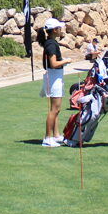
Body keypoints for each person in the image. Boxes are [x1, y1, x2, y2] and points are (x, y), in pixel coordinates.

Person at [38, 18, 70, 147]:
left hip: (55, 77)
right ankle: (47, 138)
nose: (61, 30)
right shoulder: (51, 44)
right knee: (54, 109)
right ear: (55, 30)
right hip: (53, 78)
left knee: (57, 109)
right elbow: (54, 63)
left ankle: (56, 135)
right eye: (59, 28)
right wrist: (66, 61)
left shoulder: (51, 42)